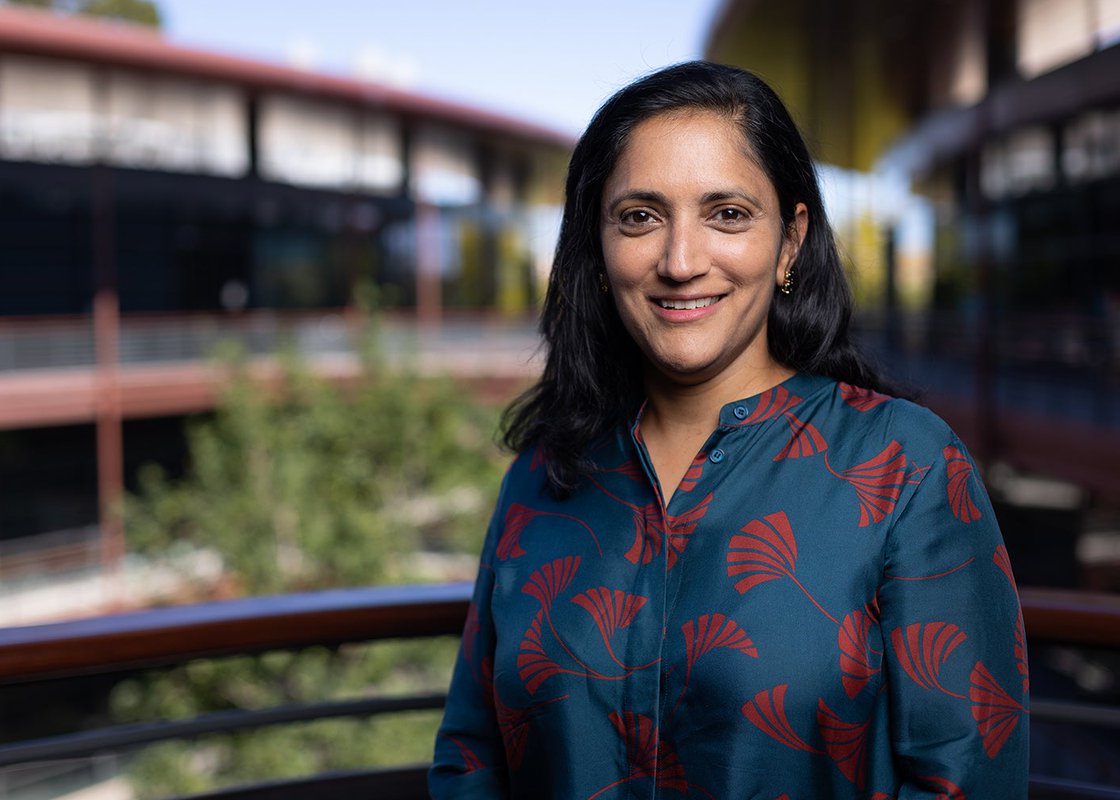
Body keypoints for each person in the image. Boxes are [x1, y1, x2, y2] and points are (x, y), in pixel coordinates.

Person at [430, 61, 1028, 799]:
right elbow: (470, 756)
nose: (681, 262)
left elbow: (967, 779)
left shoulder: (906, 468)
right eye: (640, 216)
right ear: (599, 244)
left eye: (728, 214)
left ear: (790, 242)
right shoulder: (544, 471)